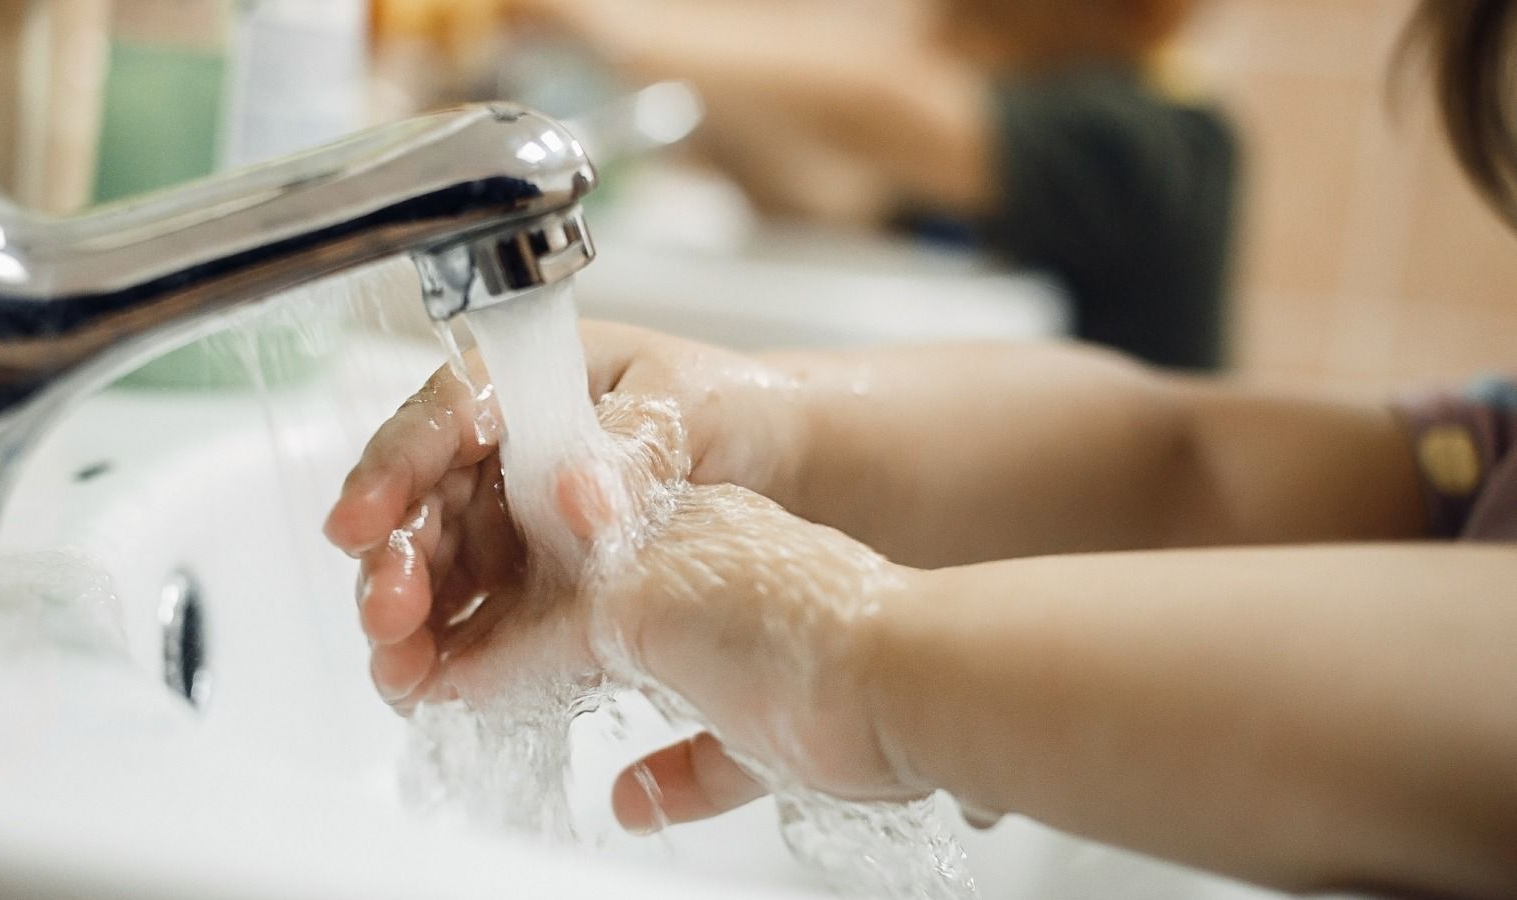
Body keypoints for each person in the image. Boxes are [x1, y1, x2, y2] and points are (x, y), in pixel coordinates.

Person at [326, 3, 1517, 899]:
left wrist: (846, 645)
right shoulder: (1483, 458)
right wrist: (752, 414)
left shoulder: (1158, 138)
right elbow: (1180, 463)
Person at [373, 0, 1238, 369]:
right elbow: (829, 200)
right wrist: (701, 115)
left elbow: (892, 110)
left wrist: (596, 21)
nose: (943, 20)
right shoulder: (1027, 163)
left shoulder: (1166, 142)